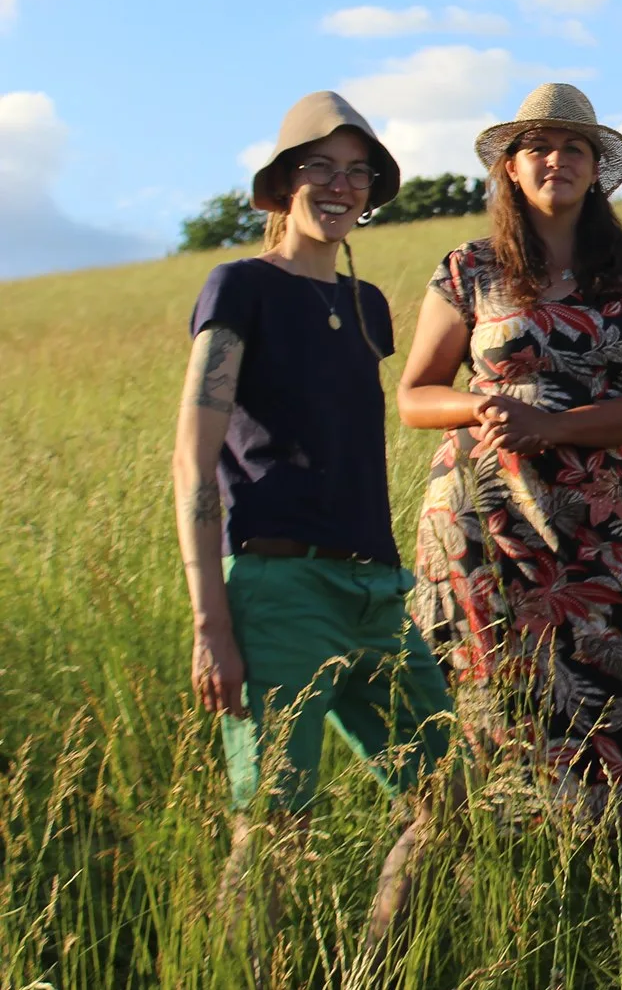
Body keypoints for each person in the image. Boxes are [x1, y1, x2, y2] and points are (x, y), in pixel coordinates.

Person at [172, 91, 453, 940]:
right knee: (275, 825)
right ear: (283, 183)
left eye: (357, 171)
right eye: (320, 168)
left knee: (449, 798)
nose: (340, 186)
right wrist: (210, 622)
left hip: (375, 590)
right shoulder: (239, 288)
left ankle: (372, 964)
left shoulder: (368, 310)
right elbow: (193, 457)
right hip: (278, 585)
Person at [400, 82, 622, 833]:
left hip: (602, 519)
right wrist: (487, 407)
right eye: (537, 146)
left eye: (574, 148)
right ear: (509, 166)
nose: (556, 159)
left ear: (596, 168)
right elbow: (415, 394)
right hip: (484, 516)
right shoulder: (469, 267)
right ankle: (496, 850)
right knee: (496, 681)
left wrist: (554, 424)